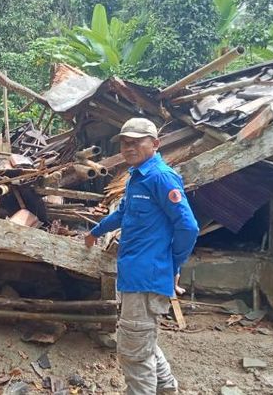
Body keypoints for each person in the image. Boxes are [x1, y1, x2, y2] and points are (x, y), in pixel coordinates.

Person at [84, 117, 198, 394]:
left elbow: (188, 226)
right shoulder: (137, 176)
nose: (129, 147)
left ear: (155, 144)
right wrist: (96, 231)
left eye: (136, 141)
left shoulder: (160, 177)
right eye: (125, 142)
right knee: (143, 340)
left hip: (146, 277)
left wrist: (174, 265)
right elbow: (124, 213)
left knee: (134, 353)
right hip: (136, 274)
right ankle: (167, 388)